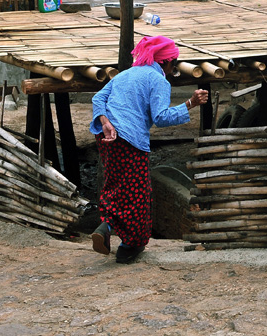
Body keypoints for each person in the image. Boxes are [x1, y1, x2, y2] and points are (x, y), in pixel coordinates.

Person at [89, 35, 208, 264]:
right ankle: (129, 247)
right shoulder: (158, 80)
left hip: (106, 135)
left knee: (116, 184)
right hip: (130, 139)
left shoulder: (123, 75)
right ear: (166, 62)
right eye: (173, 63)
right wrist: (190, 104)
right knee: (138, 194)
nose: (173, 68)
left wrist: (105, 122)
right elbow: (161, 118)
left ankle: (106, 227)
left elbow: (98, 99)